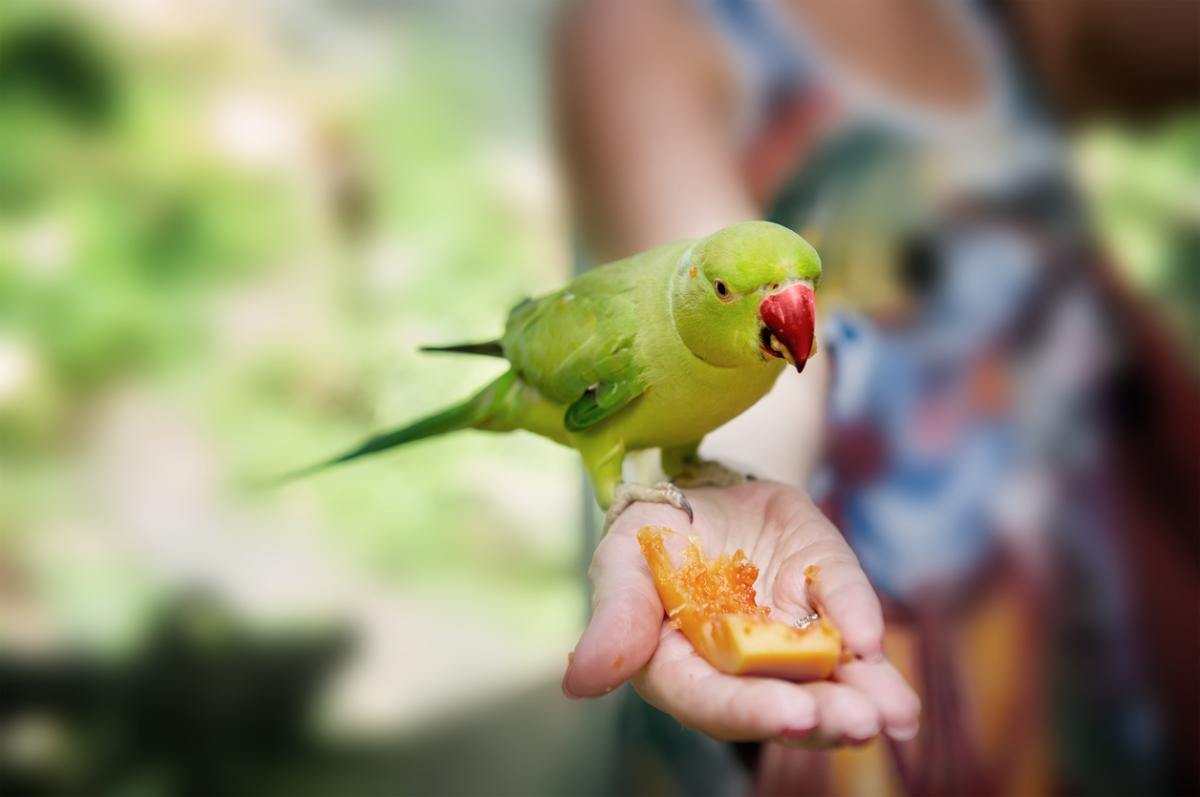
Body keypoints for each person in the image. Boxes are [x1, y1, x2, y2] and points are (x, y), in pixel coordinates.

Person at [554, 0, 1199, 794]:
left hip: (1077, 646)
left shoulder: (1007, 21)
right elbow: (703, 328)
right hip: (837, 642)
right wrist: (728, 490)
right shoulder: (645, 29)